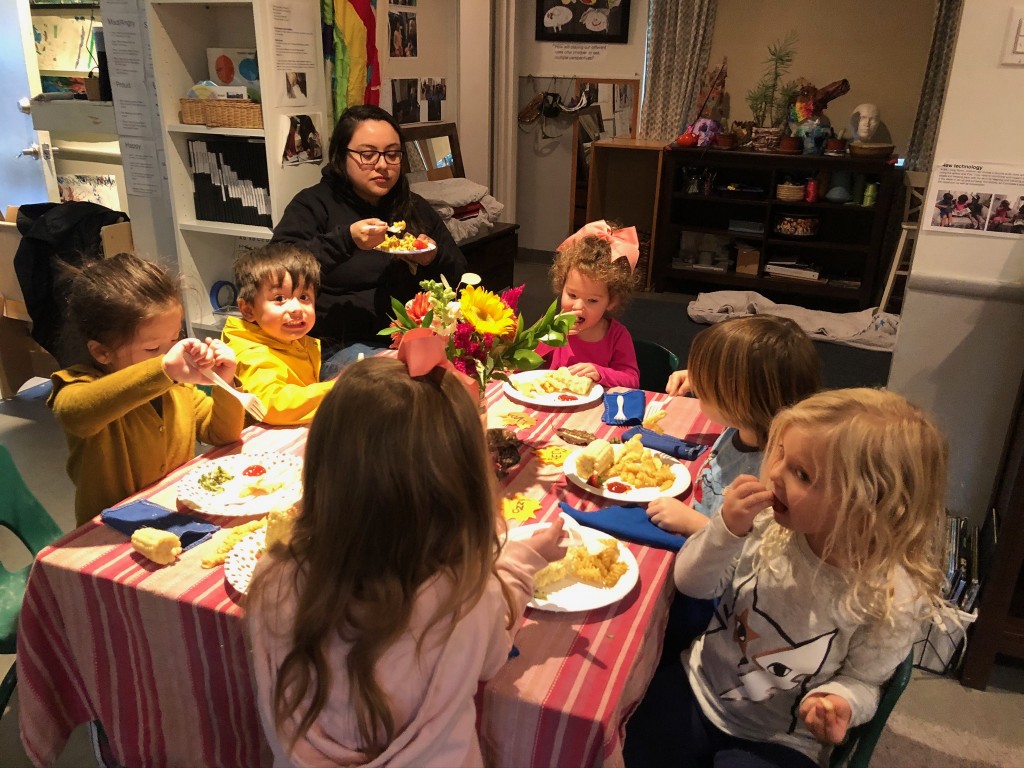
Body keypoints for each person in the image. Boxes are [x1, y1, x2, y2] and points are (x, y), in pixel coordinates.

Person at [245, 345, 567, 766]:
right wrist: (522, 562)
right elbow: (490, 660)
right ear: (464, 485)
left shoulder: (272, 579)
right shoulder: (468, 598)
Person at [625, 388, 950, 768]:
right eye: (780, 453)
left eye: (802, 474)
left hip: (783, 739)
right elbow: (692, 584)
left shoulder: (891, 598)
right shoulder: (768, 525)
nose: (774, 473)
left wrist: (839, 702)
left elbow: (865, 682)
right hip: (698, 686)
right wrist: (725, 530)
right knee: (621, 743)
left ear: (867, 506)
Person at [48, 253, 244, 526]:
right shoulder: (79, 385)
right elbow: (74, 413)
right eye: (152, 348)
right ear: (102, 352)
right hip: (113, 530)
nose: (170, 353)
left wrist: (225, 383)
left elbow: (222, 434)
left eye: (175, 339)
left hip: (173, 515)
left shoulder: (177, 388)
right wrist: (162, 370)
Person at [271, 104, 466, 378]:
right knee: (404, 382)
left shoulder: (412, 207)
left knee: (465, 374)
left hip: (413, 337)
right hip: (336, 345)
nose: (382, 165)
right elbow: (276, 272)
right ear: (341, 155)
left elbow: (460, 276)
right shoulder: (313, 204)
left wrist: (431, 258)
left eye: (392, 154)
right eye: (368, 154)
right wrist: (346, 239)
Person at [652, 316, 821, 537]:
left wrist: (694, 524)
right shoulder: (748, 424)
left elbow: (756, 548)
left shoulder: (771, 476)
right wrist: (700, 377)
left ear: (737, 399)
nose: (698, 390)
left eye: (706, 386)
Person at [222, 242, 335, 425]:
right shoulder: (251, 354)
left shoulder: (289, 338)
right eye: (280, 298)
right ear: (248, 309)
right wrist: (336, 391)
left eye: (304, 297)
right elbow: (273, 405)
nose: (296, 308)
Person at [535, 220, 641, 388]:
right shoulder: (552, 327)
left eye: (592, 300)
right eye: (572, 295)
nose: (578, 306)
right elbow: (517, 364)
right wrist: (549, 337)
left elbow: (632, 380)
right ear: (561, 287)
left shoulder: (617, 336)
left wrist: (600, 373)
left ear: (611, 302)